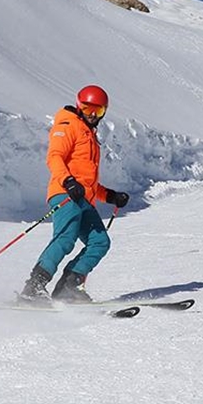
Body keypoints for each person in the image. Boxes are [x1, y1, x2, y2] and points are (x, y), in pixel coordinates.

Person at [20, 85, 130, 303]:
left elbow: (87, 181)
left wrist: (109, 196)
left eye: (97, 112)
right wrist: (68, 181)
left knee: (100, 242)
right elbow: (54, 156)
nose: (92, 115)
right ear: (79, 106)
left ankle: (68, 287)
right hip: (64, 193)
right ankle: (33, 288)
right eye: (88, 109)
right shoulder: (68, 125)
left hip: (83, 198)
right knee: (66, 238)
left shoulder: (90, 135)